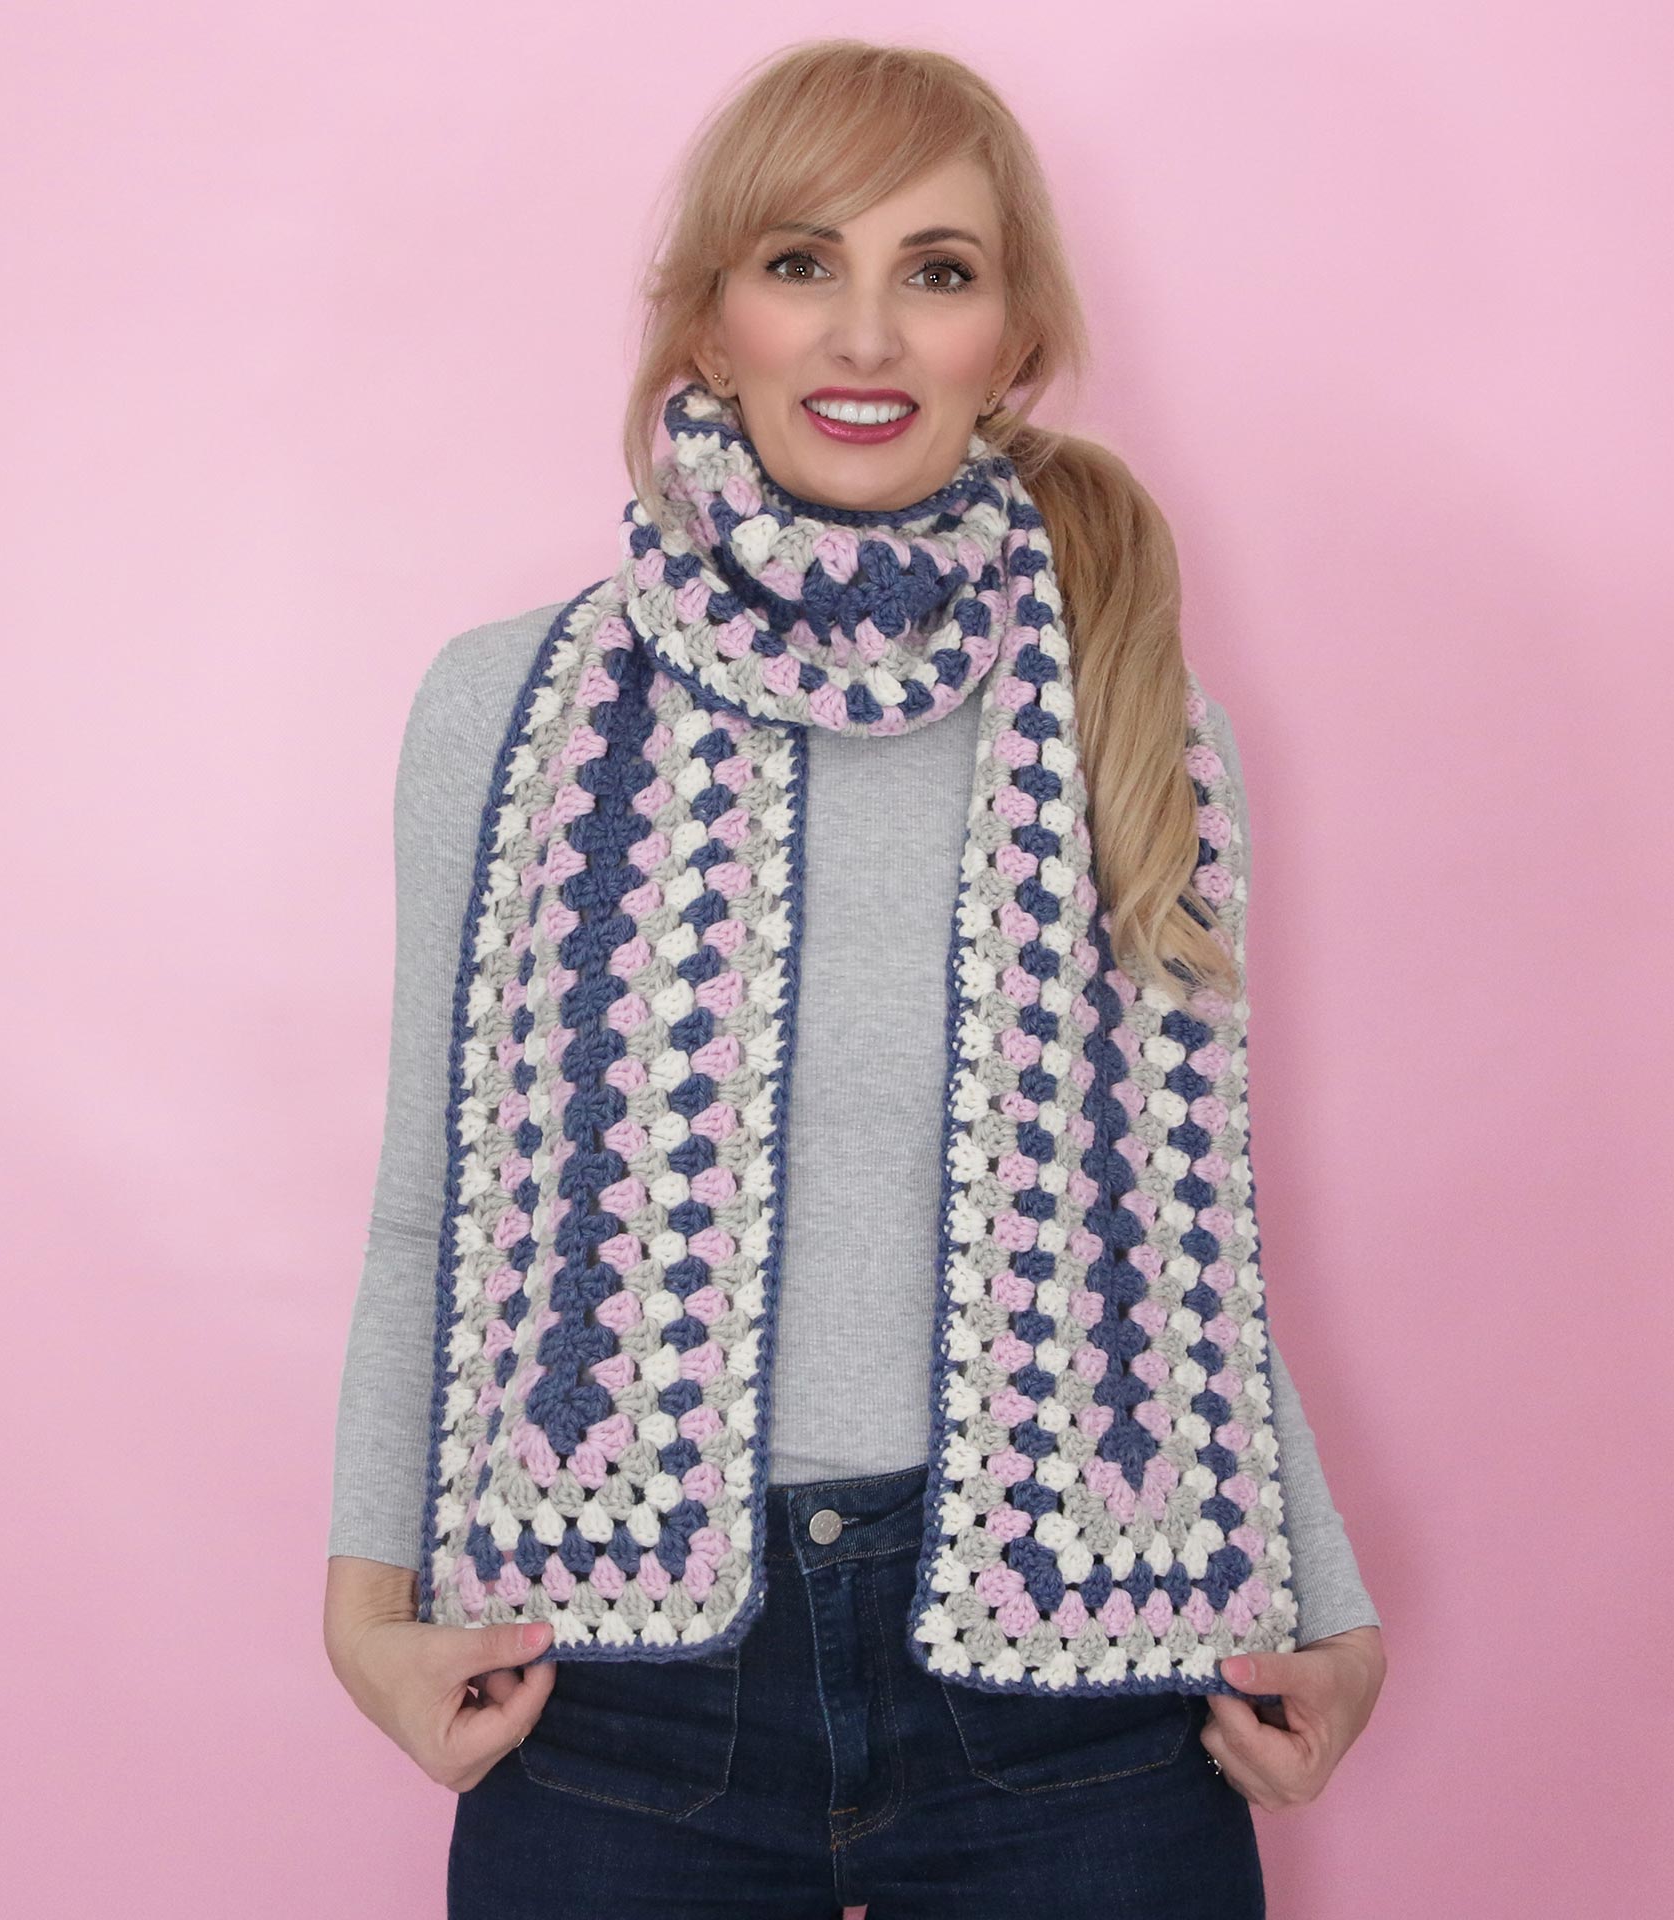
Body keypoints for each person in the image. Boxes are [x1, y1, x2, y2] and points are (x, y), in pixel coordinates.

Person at [324, 38, 1386, 1920]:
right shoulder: (506, 714)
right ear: (708, 324)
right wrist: (365, 1608)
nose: (868, 333)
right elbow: (440, 1202)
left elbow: (1185, 1241)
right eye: (801, 262)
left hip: (1076, 1668)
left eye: (939, 270)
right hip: (612, 1676)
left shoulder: (1138, 722)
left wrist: (1332, 1603)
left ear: (1013, 339)